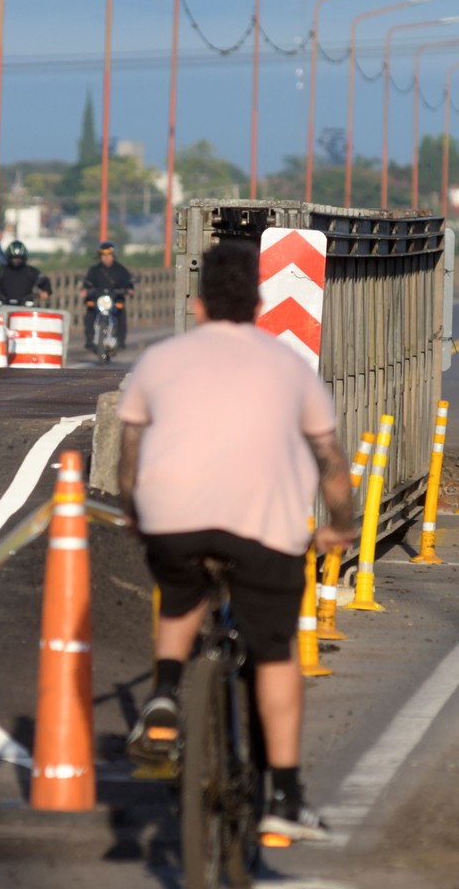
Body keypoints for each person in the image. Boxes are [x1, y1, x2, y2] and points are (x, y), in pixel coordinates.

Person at [119, 240, 356, 842]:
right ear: (256, 305)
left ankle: (167, 694)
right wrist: (340, 526)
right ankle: (284, 792)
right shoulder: (288, 367)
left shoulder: (159, 360)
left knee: (180, 594)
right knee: (274, 651)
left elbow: (129, 462)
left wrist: (137, 515)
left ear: (198, 307)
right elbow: (331, 463)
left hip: (172, 520)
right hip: (264, 528)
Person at [81, 241, 136, 350]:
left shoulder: (121, 270)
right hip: (98, 300)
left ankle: (120, 340)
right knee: (89, 312)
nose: (106, 258)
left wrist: (129, 289)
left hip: (114, 299)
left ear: (113, 255)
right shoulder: (94, 270)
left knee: (121, 312)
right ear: (100, 256)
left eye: (109, 255)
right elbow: (87, 282)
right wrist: (85, 289)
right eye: (103, 255)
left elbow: (128, 281)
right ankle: (90, 338)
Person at [0, 240, 50, 306]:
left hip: (24, 309)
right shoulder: (2, 271)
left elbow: (44, 281)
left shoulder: (30, 272)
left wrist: (44, 292)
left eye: (19, 259)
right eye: (14, 259)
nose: (16, 261)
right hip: (4, 307)